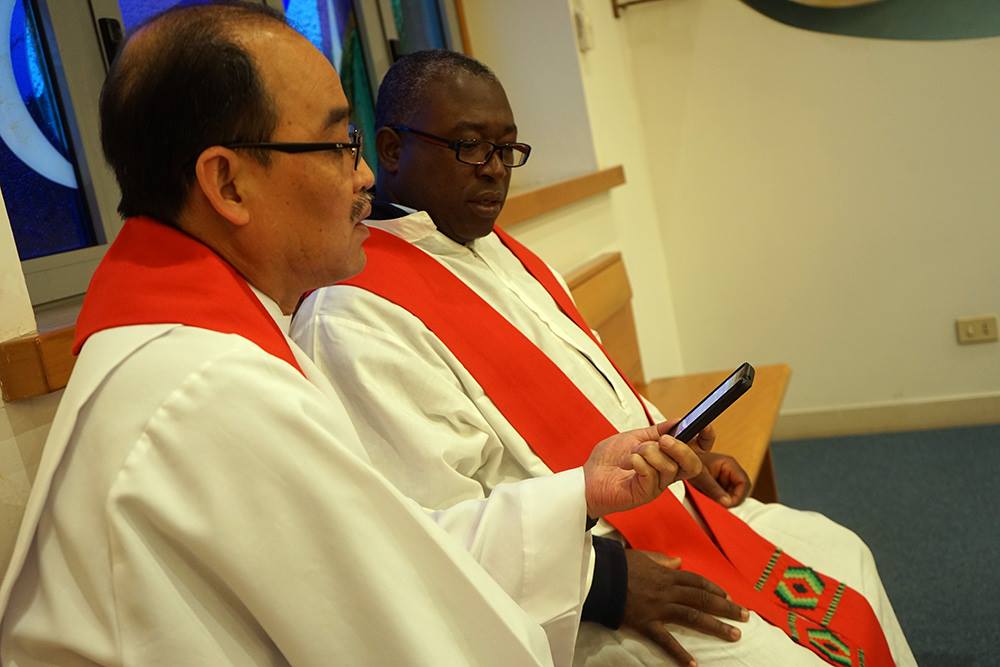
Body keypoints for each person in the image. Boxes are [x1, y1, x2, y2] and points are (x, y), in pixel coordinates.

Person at [0, 7, 700, 665]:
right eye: (340, 145)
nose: (365, 176)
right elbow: (414, 638)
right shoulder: (216, 391)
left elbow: (399, 547)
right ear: (228, 184)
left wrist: (578, 493)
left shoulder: (189, 344)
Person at [291, 50, 917, 667]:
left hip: (651, 512)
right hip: (571, 588)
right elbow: (423, 532)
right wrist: (604, 585)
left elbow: (595, 386)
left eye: (507, 148)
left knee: (844, 553)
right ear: (391, 149)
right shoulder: (352, 313)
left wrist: (685, 451)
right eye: (471, 146)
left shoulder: (502, 252)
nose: (495, 170)